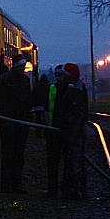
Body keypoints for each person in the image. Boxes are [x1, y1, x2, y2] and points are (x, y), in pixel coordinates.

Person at [0, 55, 33, 194]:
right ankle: (7, 185)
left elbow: (28, 101)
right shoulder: (5, 80)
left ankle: (16, 184)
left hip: (20, 123)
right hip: (10, 124)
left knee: (18, 155)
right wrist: (4, 120)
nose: (22, 69)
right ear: (15, 66)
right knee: (9, 155)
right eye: (21, 67)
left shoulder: (24, 81)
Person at [57, 62, 89, 199]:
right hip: (73, 133)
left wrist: (71, 134)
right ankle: (73, 190)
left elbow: (77, 115)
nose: (60, 78)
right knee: (73, 162)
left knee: (74, 162)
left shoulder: (75, 91)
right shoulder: (75, 89)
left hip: (74, 134)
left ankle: (75, 191)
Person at [45, 66, 68, 197]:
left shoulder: (70, 90)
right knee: (52, 162)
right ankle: (52, 189)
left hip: (65, 131)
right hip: (52, 131)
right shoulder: (52, 89)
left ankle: (65, 189)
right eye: (56, 75)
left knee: (66, 161)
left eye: (60, 75)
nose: (58, 78)